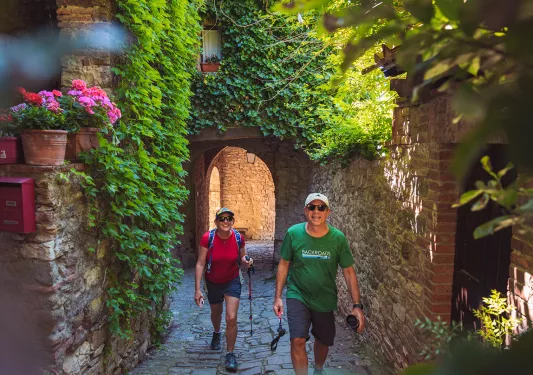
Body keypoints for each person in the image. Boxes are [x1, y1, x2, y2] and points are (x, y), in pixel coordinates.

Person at [273, 193, 365, 375]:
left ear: (328, 212)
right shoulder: (293, 233)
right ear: (305, 210)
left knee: (323, 340)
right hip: (297, 294)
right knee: (297, 340)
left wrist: (357, 306)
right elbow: (284, 264)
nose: (316, 211)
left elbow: (348, 272)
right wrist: (278, 297)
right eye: (311, 207)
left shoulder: (338, 239)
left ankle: (318, 369)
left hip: (325, 297)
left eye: (321, 207)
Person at [194, 207, 253, 372]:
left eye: (229, 219)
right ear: (216, 222)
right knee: (216, 312)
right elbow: (200, 263)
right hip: (212, 281)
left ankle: (230, 353)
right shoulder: (208, 238)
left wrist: (246, 260)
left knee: (231, 317)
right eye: (222, 219)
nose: (226, 222)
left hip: (232, 280)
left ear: (233, 221)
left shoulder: (238, 238)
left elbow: (242, 255)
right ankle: (217, 332)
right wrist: (197, 289)